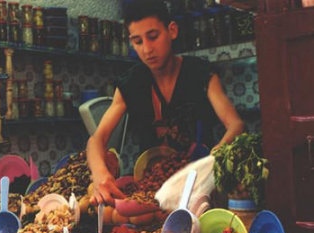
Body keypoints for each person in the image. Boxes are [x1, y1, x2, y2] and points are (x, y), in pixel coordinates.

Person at [87, 0, 244, 206]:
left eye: (153, 37)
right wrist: (101, 175)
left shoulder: (201, 73)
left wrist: (213, 159)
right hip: (151, 192)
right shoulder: (131, 83)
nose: (147, 49)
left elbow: (236, 125)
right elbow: (97, 140)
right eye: (137, 41)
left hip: (200, 188)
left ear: (172, 30)